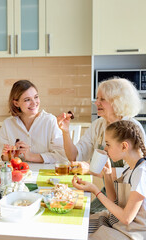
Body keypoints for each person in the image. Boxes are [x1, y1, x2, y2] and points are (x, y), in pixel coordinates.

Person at [57, 77, 145, 213]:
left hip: (128, 199)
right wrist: (66, 132)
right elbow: (74, 156)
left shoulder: (132, 129)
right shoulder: (99, 125)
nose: (96, 102)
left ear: (117, 102)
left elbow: (133, 174)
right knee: (78, 212)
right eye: (97, 98)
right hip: (109, 192)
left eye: (102, 99)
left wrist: (91, 170)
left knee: (83, 216)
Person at [73, 120, 146, 239]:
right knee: (78, 224)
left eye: (108, 144)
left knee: (79, 234)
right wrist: (107, 175)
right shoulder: (130, 169)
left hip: (130, 233)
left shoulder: (141, 173)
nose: (105, 149)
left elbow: (126, 218)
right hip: (117, 224)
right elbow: (114, 202)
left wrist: (96, 191)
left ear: (124, 146)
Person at [0, 80, 67, 163]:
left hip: (45, 173)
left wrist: (31, 156)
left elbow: (61, 156)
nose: (34, 103)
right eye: (27, 100)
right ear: (16, 103)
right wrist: (9, 155)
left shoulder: (50, 121)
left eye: (36, 97)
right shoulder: (7, 124)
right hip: (18, 173)